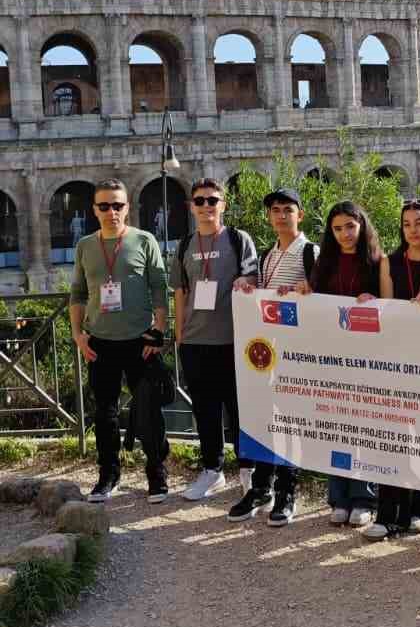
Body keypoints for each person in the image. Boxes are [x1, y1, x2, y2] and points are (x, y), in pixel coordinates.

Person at [69, 178, 170, 501]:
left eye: (118, 205)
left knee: (149, 412)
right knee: (105, 414)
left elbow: (159, 286)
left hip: (140, 340)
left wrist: (159, 329)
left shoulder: (144, 240)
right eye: (105, 206)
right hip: (100, 340)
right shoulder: (85, 245)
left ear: (127, 207)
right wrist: (77, 335)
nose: (112, 211)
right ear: (94, 210)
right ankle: (108, 475)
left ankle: (157, 475)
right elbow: (78, 293)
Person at [229, 187, 318, 524]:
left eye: (287, 209)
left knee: (290, 422)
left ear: (300, 214)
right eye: (275, 210)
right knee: (265, 419)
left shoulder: (311, 252)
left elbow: (320, 297)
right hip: (267, 353)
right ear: (269, 216)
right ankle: (261, 487)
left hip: (297, 353)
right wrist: (249, 283)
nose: (281, 215)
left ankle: (286, 491)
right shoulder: (267, 254)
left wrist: (304, 291)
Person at [170, 178, 258, 504]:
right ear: (191, 207)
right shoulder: (184, 246)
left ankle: (247, 469)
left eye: (213, 200)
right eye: (200, 201)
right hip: (195, 341)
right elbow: (180, 291)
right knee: (205, 410)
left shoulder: (238, 239)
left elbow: (252, 274)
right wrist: (179, 334)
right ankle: (212, 470)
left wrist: (246, 281)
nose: (207, 206)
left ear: (223, 204)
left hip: (234, 339)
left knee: (239, 409)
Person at [363, 200, 420, 541]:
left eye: (419, 223)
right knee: (393, 435)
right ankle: (387, 510)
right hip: (396, 354)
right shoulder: (389, 262)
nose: (412, 229)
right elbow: (386, 307)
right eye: (407, 223)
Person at [310, 200, 383, 526]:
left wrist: (375, 302)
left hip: (366, 355)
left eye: (350, 227)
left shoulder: (377, 262)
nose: (344, 234)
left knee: (364, 426)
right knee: (336, 426)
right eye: (337, 229)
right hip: (331, 354)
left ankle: (364, 496)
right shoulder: (324, 261)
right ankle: (338, 496)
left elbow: (390, 304)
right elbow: (313, 302)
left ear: (361, 226)